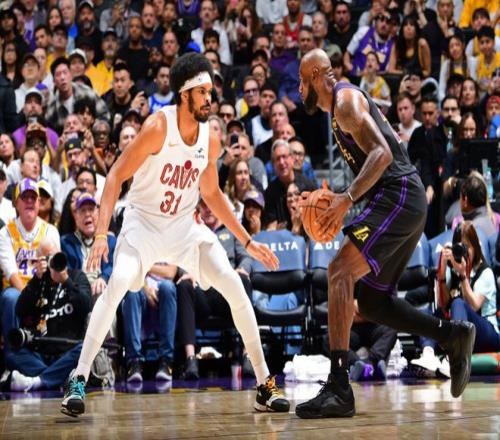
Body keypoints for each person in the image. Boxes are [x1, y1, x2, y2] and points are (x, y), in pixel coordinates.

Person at [60, 53, 289, 417]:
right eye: (203, 92)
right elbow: (115, 175)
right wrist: (102, 234)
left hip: (183, 226)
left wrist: (247, 240)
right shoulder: (157, 127)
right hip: (142, 224)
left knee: (234, 284)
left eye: (211, 92)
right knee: (118, 283)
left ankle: (264, 383)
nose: (209, 99)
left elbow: (211, 193)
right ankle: (79, 378)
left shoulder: (210, 139)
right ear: (184, 94)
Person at [295, 49, 476, 419]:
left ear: (315, 75)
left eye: (301, 80)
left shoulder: (345, 103)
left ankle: (339, 386)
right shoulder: (341, 108)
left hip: (400, 196)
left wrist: (345, 200)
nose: (299, 90)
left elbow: (382, 155)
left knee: (339, 272)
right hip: (400, 200)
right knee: (373, 302)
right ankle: (452, 335)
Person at [7, 236, 91, 392]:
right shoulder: (39, 282)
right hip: (41, 353)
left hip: (68, 350)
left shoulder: (77, 276)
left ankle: (38, 381)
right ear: (40, 261)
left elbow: (86, 306)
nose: (53, 262)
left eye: (55, 256)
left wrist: (66, 281)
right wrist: (36, 279)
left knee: (86, 348)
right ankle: (57, 377)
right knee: (12, 353)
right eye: (47, 258)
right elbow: (20, 310)